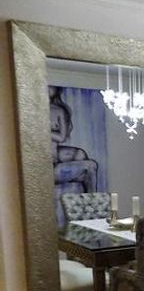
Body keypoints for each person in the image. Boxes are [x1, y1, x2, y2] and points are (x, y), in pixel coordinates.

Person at [50, 86, 99, 226]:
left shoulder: (58, 110)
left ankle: (88, 206)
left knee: (80, 154)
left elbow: (62, 137)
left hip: (55, 154)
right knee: (90, 166)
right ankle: (93, 208)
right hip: (46, 166)